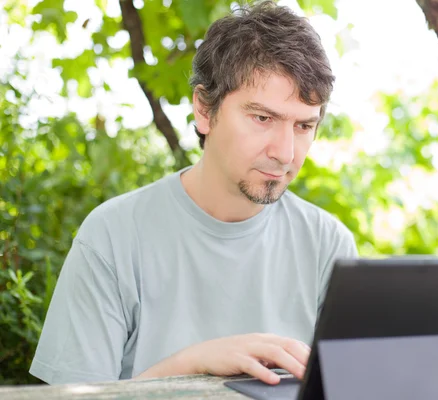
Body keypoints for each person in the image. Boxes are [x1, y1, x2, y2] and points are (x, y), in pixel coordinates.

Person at [29, 0, 358, 387]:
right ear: (204, 109)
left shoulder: (328, 245)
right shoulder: (112, 237)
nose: (285, 153)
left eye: (304, 126)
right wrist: (192, 364)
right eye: (263, 118)